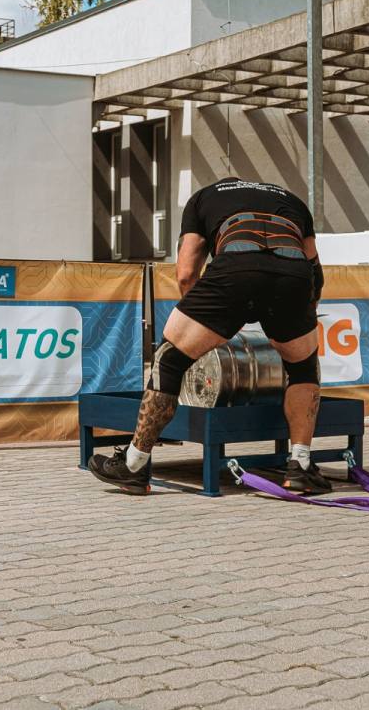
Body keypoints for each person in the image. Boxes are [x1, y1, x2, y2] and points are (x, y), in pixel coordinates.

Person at [88, 176, 331, 496]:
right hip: (294, 276)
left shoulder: (204, 197)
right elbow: (316, 274)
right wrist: (301, 319)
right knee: (304, 368)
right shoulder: (292, 201)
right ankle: (300, 466)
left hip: (236, 269)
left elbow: (186, 273)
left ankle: (134, 465)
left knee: (170, 361)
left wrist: (205, 324)